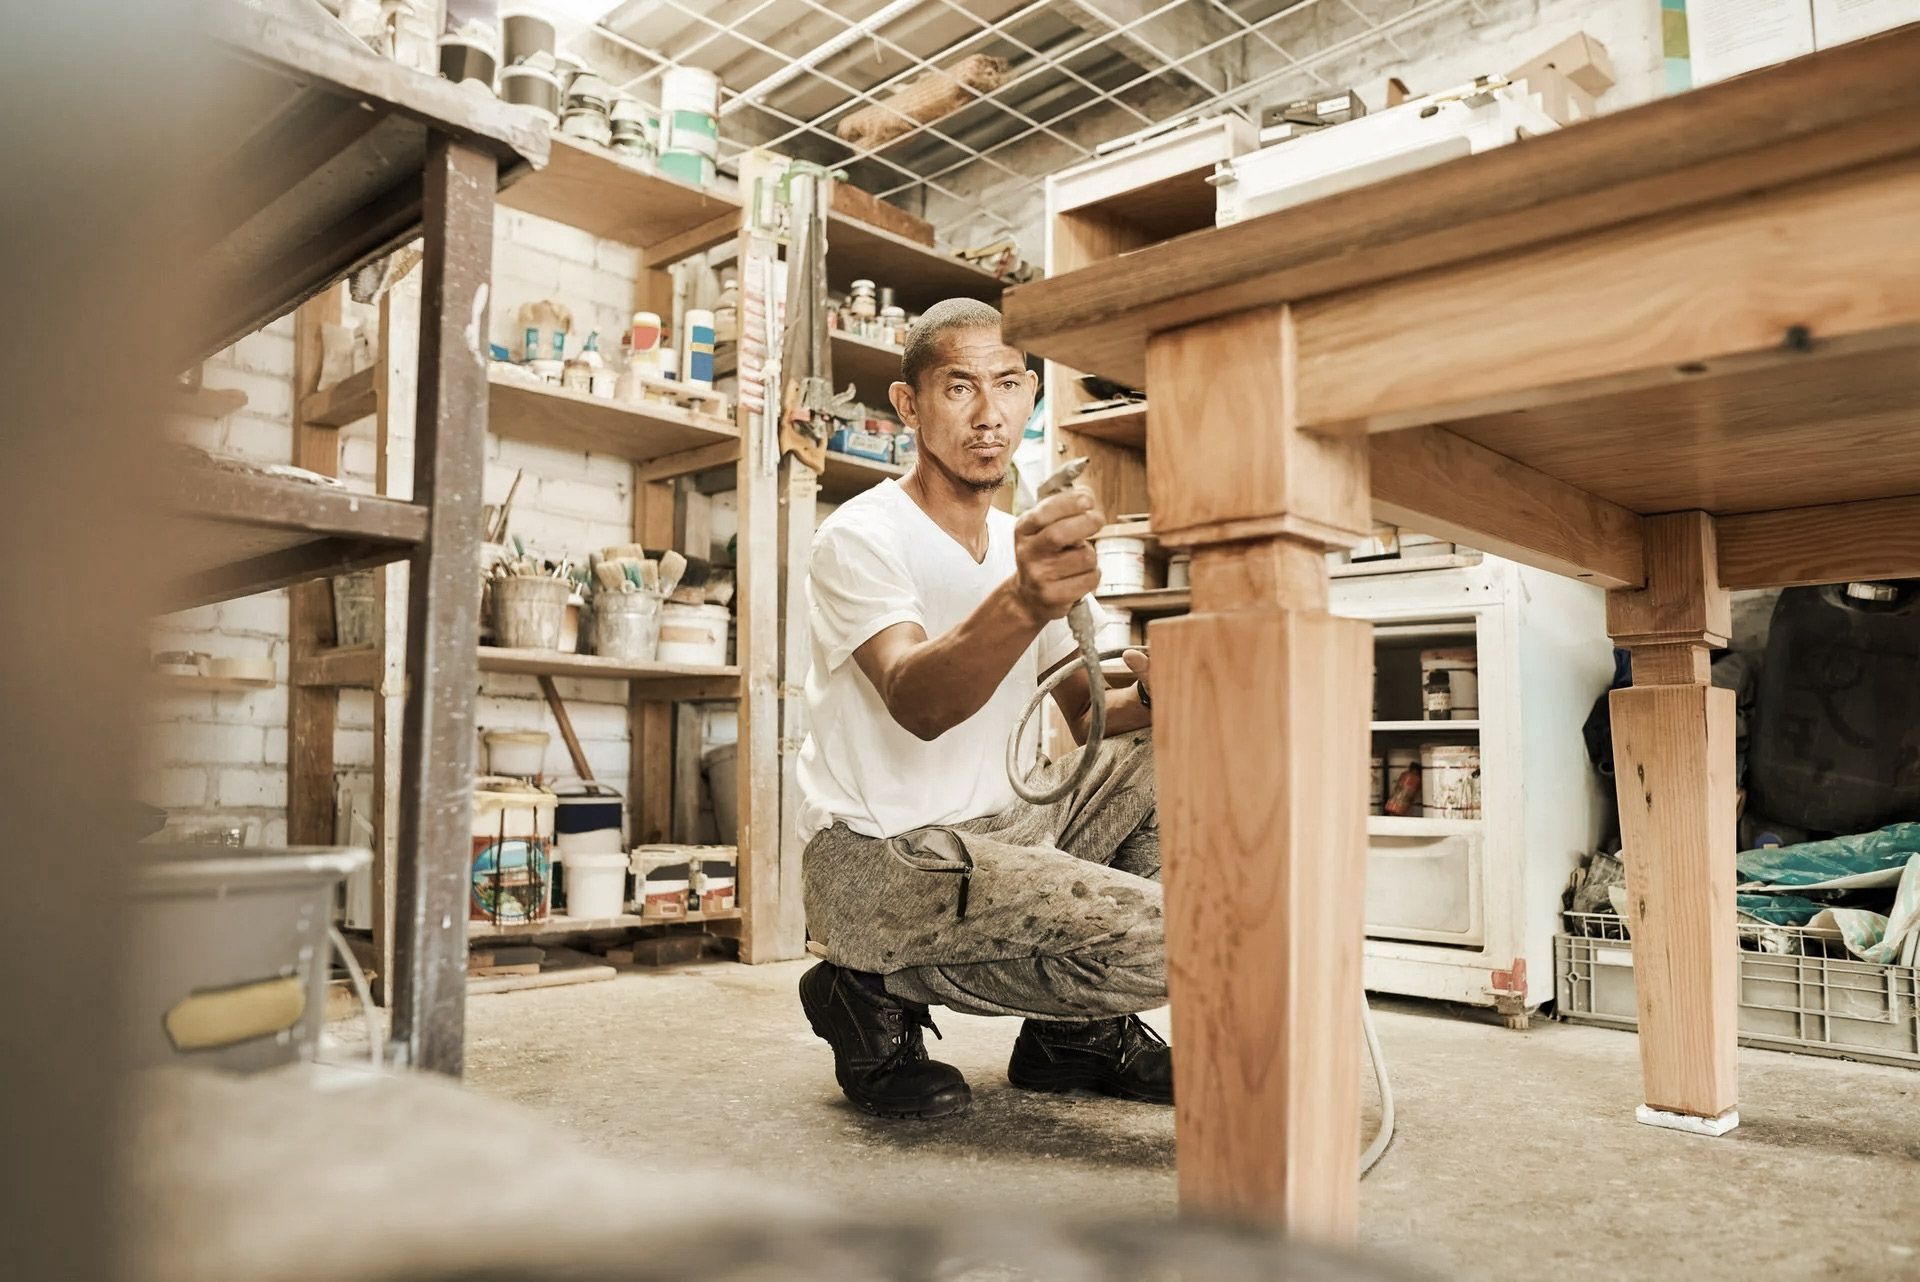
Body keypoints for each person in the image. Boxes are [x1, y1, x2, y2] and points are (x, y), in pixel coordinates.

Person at [796, 298, 1169, 1120]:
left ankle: (1074, 1037)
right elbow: (916, 702)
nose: (988, 415)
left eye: (1006, 386)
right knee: (1196, 940)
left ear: (1031, 395)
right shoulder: (860, 537)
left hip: (1006, 828)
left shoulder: (1016, 540)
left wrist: (1160, 690)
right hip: (891, 860)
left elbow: (1082, 709)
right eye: (959, 388)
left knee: (1173, 761)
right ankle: (862, 984)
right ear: (909, 405)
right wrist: (1027, 596)